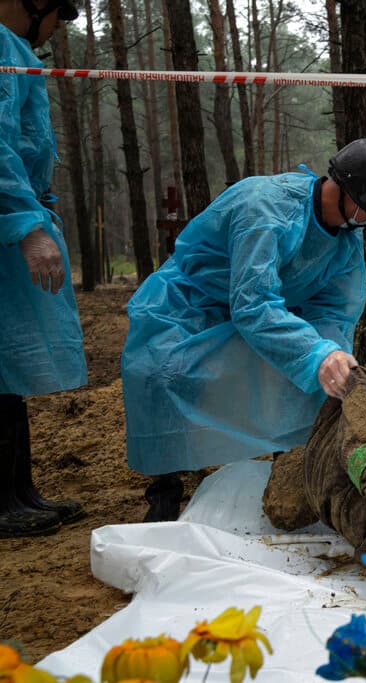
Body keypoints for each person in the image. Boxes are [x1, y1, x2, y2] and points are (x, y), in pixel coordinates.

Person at [121, 138, 366, 522]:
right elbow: (253, 304)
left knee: (307, 380)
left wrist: (329, 355)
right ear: (353, 195)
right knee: (165, 376)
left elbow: (334, 309)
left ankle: (291, 470)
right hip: (192, 307)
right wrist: (314, 354)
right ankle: (164, 489)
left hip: (268, 312)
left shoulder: (348, 235)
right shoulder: (263, 209)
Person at [0, 0, 86, 538]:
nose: (57, 27)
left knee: (7, 372)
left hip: (14, 217)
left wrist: (40, 206)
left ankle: (17, 493)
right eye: (58, 13)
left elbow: (29, 146)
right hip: (8, 222)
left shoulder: (15, 53)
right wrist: (26, 225)